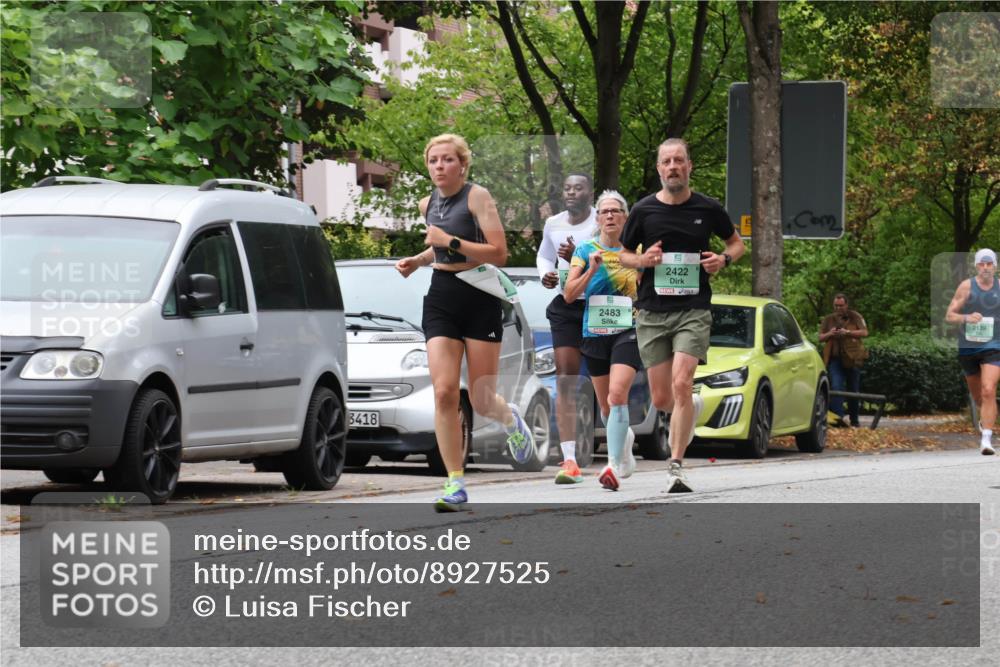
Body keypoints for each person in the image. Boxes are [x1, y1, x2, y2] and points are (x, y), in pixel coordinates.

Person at [395, 134, 536, 511]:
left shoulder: (478, 197)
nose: (439, 166)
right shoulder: (427, 203)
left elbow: (499, 253)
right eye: (433, 161)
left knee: (481, 397)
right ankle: (454, 482)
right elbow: (437, 245)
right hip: (441, 295)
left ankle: (510, 420)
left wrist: (450, 242)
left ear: (462, 164)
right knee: (443, 392)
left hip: (480, 295)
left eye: (447, 160)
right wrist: (419, 260)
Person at [620, 138, 745, 493]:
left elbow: (736, 244)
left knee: (681, 382)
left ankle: (676, 466)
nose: (673, 166)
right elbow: (624, 254)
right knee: (662, 399)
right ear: (660, 169)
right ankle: (688, 407)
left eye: (679, 160)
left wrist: (723, 260)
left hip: (693, 309)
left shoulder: (708, 208)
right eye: (667, 161)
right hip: (653, 312)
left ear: (689, 166)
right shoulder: (644, 210)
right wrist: (643, 261)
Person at [563, 190, 640, 490]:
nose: (609, 216)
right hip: (594, 332)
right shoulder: (584, 250)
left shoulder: (637, 251)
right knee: (607, 409)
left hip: (629, 330)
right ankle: (625, 444)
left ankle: (612, 466)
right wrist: (593, 268)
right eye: (604, 212)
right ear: (597, 219)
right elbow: (569, 294)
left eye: (615, 211)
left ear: (625, 217)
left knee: (617, 396)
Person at [536, 173, 598, 484]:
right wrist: (548, 274)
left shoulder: (603, 221)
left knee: (608, 383)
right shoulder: (553, 224)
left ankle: (617, 449)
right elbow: (545, 256)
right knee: (565, 379)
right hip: (567, 305)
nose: (572, 192)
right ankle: (570, 458)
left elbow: (617, 261)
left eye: (579, 188)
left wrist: (579, 257)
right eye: (568, 188)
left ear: (591, 193)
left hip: (601, 305)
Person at [945, 248, 1000, 455]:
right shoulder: (967, 287)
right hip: (968, 347)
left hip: (994, 346)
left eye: (989, 264)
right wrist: (966, 318)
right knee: (979, 397)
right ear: (976, 266)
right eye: (982, 264)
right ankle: (986, 419)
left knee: (988, 389)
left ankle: (986, 439)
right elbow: (950, 315)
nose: (985, 268)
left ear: (995, 266)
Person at [819, 294, 869, 428]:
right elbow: (820, 337)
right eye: (836, 305)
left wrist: (847, 332)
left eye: (841, 305)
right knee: (836, 387)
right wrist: (831, 333)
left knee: (853, 390)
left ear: (846, 305)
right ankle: (838, 421)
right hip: (835, 360)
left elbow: (864, 333)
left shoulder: (855, 316)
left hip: (853, 359)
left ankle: (855, 420)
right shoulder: (828, 319)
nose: (838, 308)